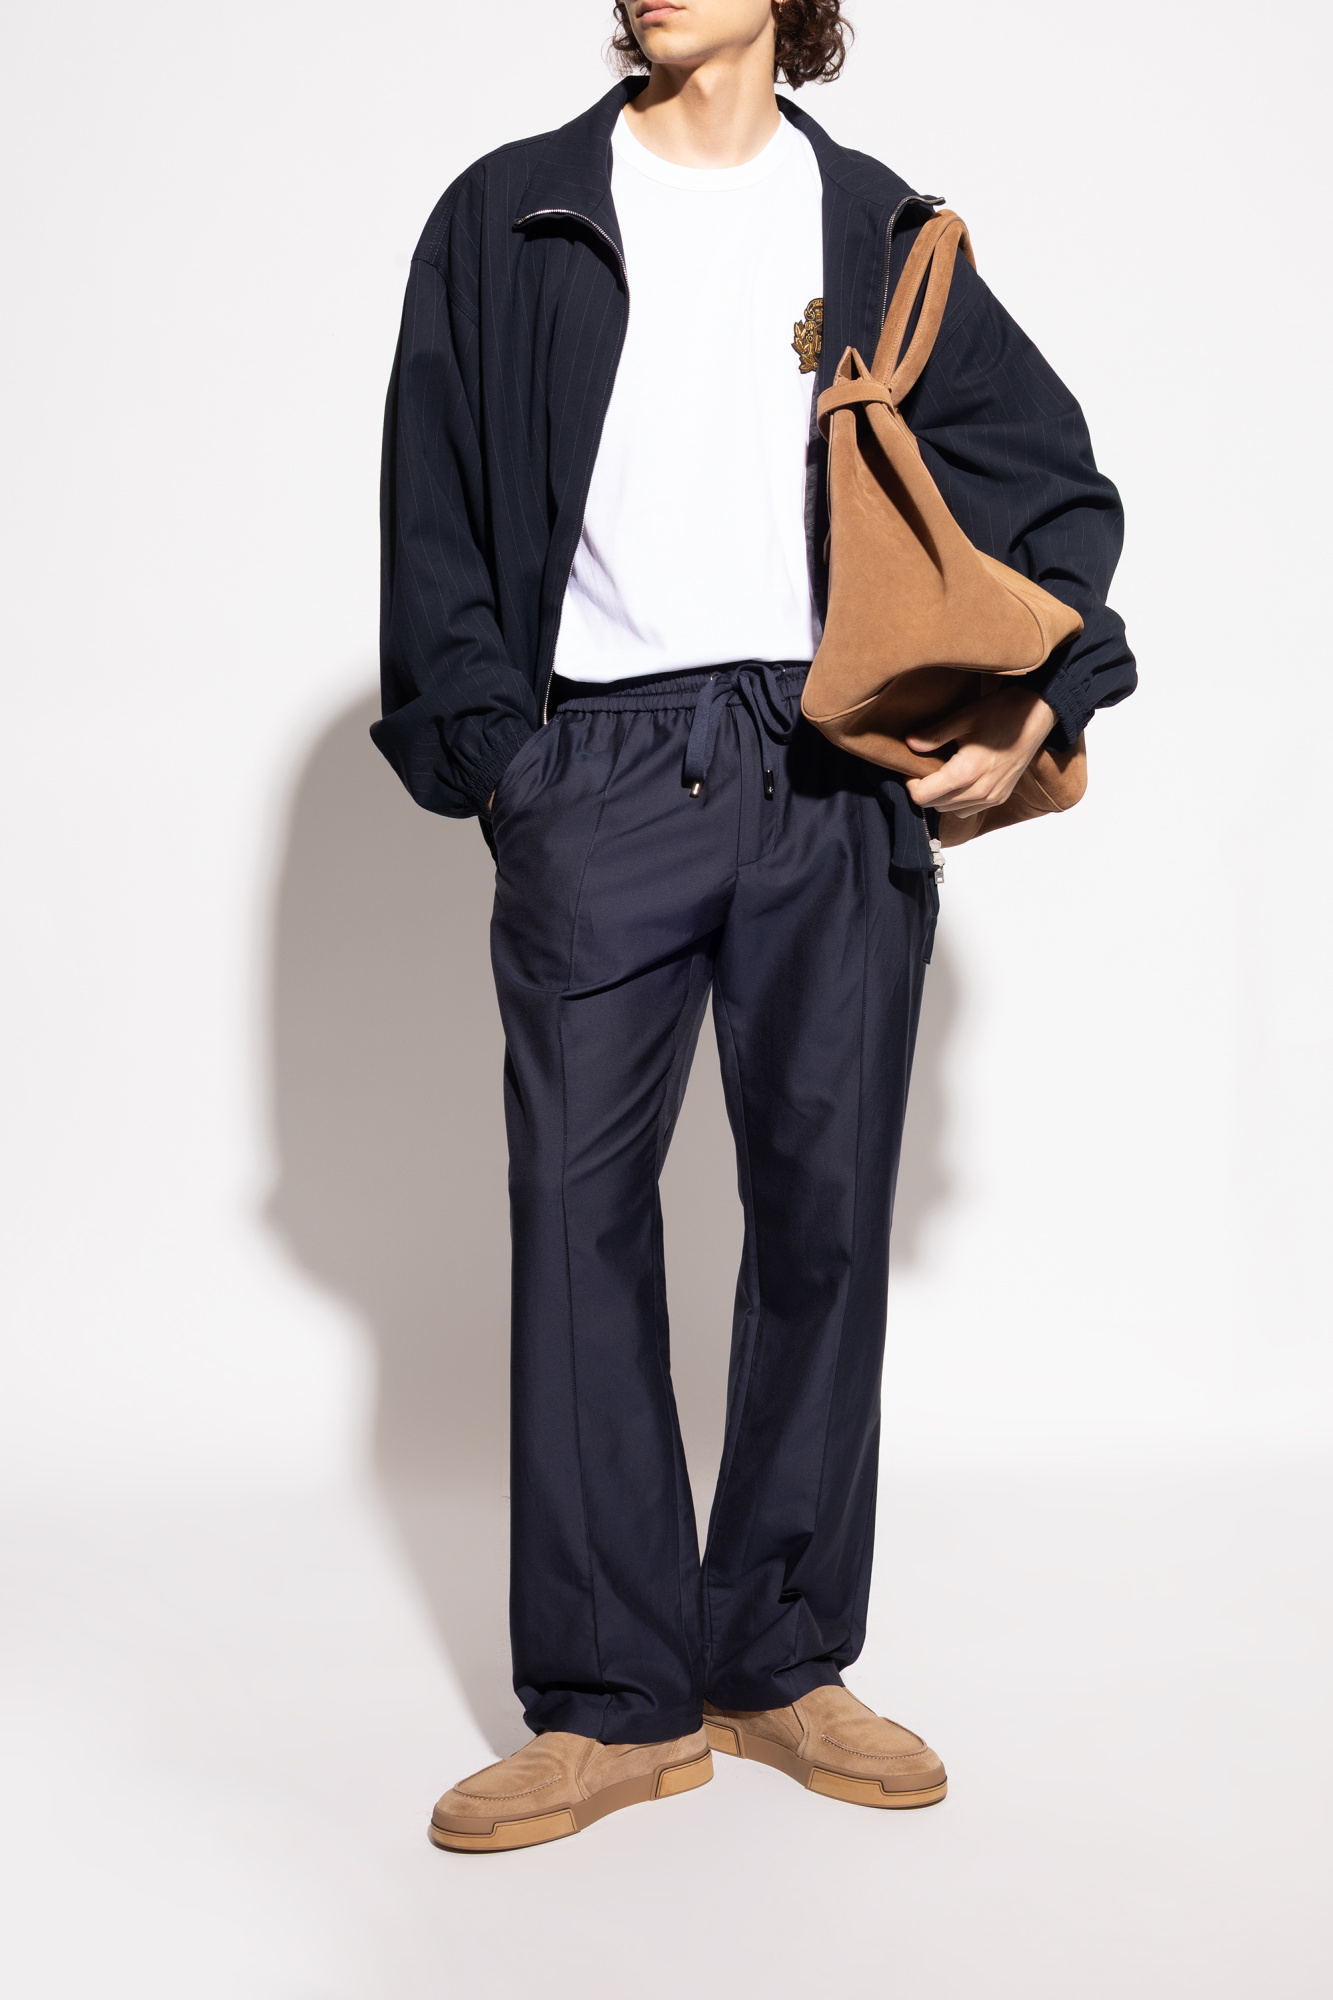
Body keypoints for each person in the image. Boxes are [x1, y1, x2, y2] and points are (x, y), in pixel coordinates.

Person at [374, 0, 1135, 1854]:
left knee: (822, 1217)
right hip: (598, 763)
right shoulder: (512, 212)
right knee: (574, 1221)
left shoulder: (880, 231)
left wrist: (1045, 696)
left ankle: (779, 1658)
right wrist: (506, 767)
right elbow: (433, 505)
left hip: (826, 766)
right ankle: (611, 1701)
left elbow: (1050, 486)